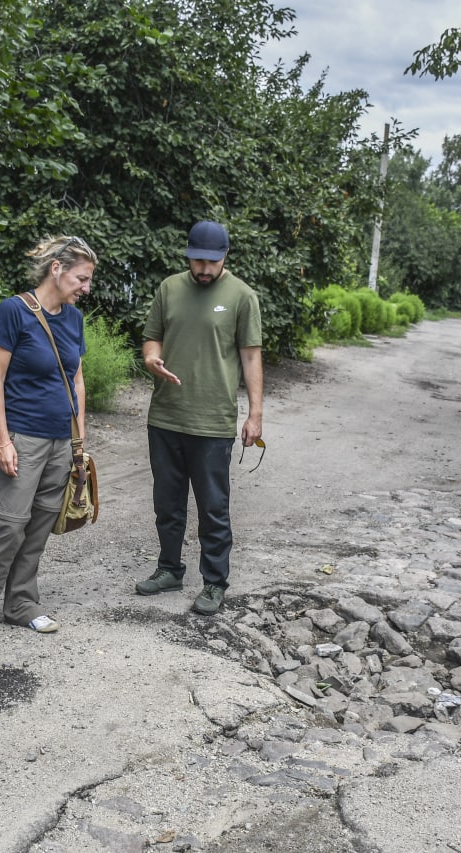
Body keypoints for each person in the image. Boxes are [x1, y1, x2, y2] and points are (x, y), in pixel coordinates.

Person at [0, 235, 98, 645]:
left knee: (38, 526)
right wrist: (3, 441)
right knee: (10, 525)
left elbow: (77, 380)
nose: (86, 288)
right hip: (23, 436)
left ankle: (20, 604)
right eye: (81, 278)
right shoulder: (14, 312)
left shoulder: (73, 319)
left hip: (61, 441)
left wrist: (79, 441)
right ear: (57, 269)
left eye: (88, 280)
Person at [135, 220, 263, 616]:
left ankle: (214, 581)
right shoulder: (169, 288)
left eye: (212, 262)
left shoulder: (242, 297)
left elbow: (251, 356)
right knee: (167, 501)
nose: (204, 269)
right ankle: (169, 568)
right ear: (188, 255)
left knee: (212, 507)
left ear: (226, 256)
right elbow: (151, 337)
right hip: (166, 415)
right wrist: (151, 358)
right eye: (197, 261)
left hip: (213, 420)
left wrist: (255, 413)